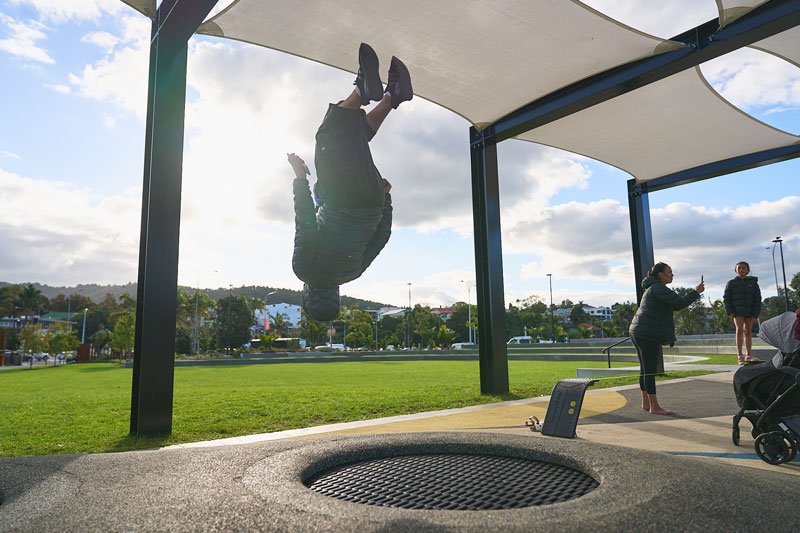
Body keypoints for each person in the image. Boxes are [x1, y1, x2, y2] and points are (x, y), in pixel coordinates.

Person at [287, 43, 413, 322]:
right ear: (307, 295)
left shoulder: (353, 272)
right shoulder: (304, 270)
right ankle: (361, 89)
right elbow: (305, 222)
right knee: (329, 137)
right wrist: (298, 178)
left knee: (354, 140)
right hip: (342, 201)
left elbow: (381, 238)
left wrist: (386, 200)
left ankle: (393, 96)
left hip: (371, 202)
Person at [629, 262, 704, 415]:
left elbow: (675, 306)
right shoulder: (658, 288)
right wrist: (696, 292)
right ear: (661, 274)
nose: (672, 275)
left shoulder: (653, 287)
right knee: (649, 370)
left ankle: (646, 403)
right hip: (646, 333)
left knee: (645, 369)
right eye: (669, 272)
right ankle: (654, 406)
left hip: (638, 331)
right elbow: (680, 303)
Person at [723, 261, 762, 365]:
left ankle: (749, 355)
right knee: (739, 330)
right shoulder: (731, 283)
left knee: (748, 332)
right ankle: (740, 356)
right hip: (737, 311)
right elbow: (726, 298)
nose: (741, 270)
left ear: (747, 270)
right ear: (735, 270)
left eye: (743, 268)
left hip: (750, 311)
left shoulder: (753, 283)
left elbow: (758, 299)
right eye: (739, 268)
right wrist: (730, 311)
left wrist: (755, 313)